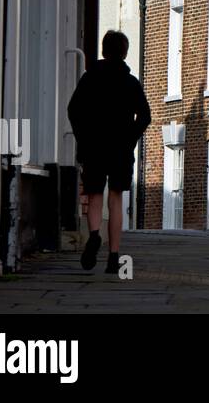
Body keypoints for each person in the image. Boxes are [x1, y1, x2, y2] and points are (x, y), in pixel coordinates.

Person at [68, 30, 151, 273]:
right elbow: (145, 116)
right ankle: (114, 257)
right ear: (125, 52)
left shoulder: (89, 78)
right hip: (120, 148)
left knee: (94, 195)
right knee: (115, 199)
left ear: (104, 51)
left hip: (93, 145)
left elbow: (73, 109)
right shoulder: (130, 82)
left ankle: (94, 235)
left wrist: (83, 136)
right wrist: (130, 138)